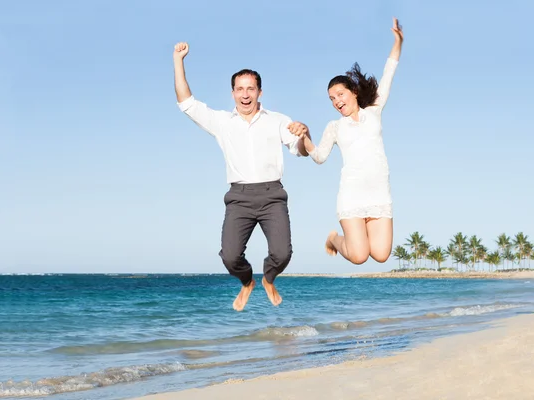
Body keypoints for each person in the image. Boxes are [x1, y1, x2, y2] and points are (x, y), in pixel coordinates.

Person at [173, 42, 309, 311]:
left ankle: (269, 278)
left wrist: (304, 135)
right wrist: (178, 60)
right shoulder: (222, 122)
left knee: (283, 254)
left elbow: (300, 151)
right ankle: (248, 282)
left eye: (251, 88)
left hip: (272, 195)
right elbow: (186, 103)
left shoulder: (277, 120)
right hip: (239, 197)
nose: (245, 94)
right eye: (240, 89)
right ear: (233, 92)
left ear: (259, 92)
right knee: (230, 257)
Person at [288, 18, 403, 265]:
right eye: (331, 98)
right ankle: (333, 239)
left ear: (353, 92)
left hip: (379, 193)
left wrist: (398, 42)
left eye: (340, 94)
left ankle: (346, 241)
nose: (337, 101)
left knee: (381, 255)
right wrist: (305, 137)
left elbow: (389, 71)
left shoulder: (374, 110)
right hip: (351, 195)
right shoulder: (335, 127)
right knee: (359, 257)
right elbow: (318, 157)